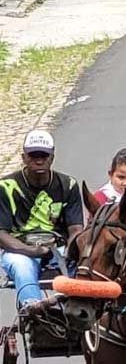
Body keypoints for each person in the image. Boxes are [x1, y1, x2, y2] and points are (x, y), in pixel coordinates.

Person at [0, 130, 83, 312]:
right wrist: (33, 251)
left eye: (44, 155)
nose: (39, 160)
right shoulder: (5, 187)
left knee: (85, 266)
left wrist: (71, 251)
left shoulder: (68, 185)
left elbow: (76, 229)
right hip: (19, 248)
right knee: (22, 266)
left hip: (58, 247)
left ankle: (76, 310)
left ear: (52, 157)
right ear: (24, 157)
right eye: (33, 155)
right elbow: (1, 234)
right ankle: (35, 310)